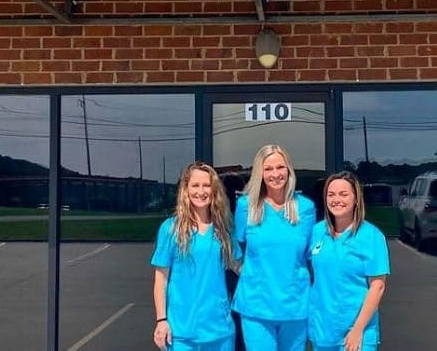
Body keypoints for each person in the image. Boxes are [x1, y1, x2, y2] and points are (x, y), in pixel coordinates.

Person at [232, 144, 316, 351]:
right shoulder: (246, 206)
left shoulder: (305, 208)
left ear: (289, 170)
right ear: (259, 173)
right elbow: (235, 247)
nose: (275, 174)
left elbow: (311, 255)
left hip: (295, 305)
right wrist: (243, 270)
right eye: (268, 169)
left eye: (280, 167)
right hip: (256, 305)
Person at [151, 162, 240, 351]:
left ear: (214, 190)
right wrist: (161, 320)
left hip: (220, 331)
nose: (201, 191)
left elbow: (238, 266)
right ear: (186, 189)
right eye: (195, 185)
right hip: (182, 333)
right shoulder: (171, 229)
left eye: (207, 185)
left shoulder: (225, 228)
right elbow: (161, 279)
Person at [308, 171, 390, 351]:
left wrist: (357, 329)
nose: (337, 199)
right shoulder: (317, 232)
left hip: (357, 334)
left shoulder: (371, 236)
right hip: (323, 331)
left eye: (344, 194)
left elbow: (378, 286)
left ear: (356, 199)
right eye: (331, 195)